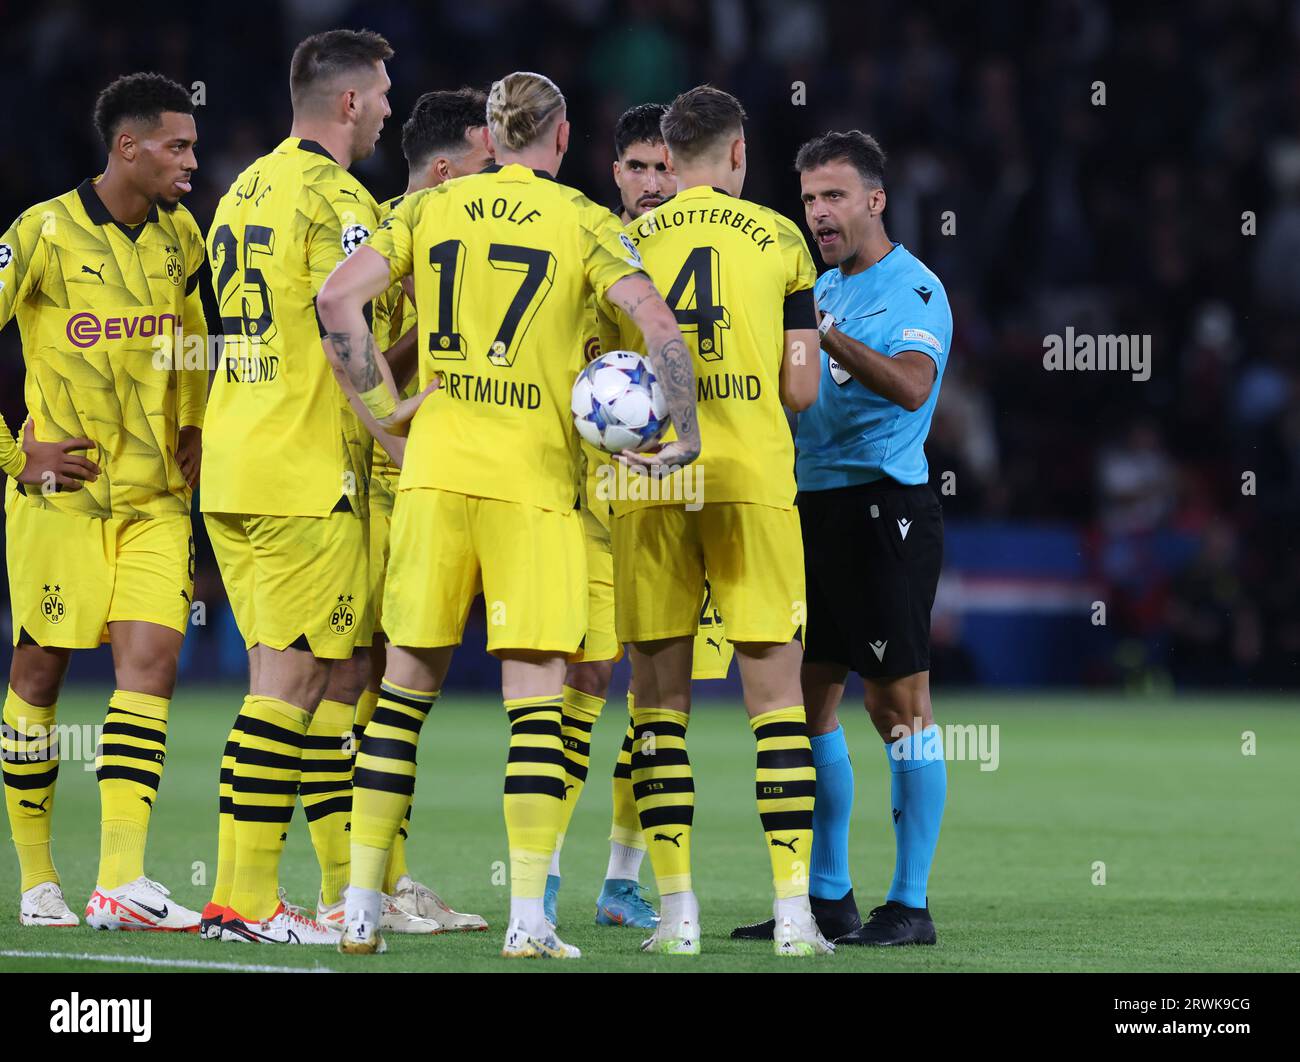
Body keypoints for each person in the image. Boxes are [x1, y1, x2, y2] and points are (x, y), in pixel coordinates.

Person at [316, 70, 698, 959]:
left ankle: (362, 911)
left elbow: (339, 300)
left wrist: (382, 409)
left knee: (401, 699)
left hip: (434, 477)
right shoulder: (587, 223)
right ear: (562, 141)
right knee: (535, 706)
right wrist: (682, 433)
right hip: (533, 487)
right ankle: (529, 921)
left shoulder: (433, 207)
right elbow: (663, 330)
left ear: (489, 136)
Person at [600, 86, 826, 956]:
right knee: (775, 703)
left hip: (652, 486)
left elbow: (604, 376)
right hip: (753, 481)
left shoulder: (624, 239)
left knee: (658, 709)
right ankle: (796, 916)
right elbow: (801, 389)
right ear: (738, 155)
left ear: (670, 153)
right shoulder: (781, 239)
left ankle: (677, 916)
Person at [200, 28, 402, 945]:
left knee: (293, 677)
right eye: (384, 93)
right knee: (289, 683)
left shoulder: (242, 187)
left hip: (236, 459)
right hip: (301, 467)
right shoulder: (338, 198)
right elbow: (339, 319)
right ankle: (242, 902)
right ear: (349, 101)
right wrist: (391, 427)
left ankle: (268, 898)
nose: (391, 108)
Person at [734, 130, 951, 947]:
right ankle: (827, 898)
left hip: (882, 509)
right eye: (809, 197)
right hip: (808, 509)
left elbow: (911, 386)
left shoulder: (914, 289)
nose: (818, 212)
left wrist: (824, 335)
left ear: (875, 200)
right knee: (805, 704)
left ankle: (911, 904)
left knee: (897, 708)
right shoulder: (814, 286)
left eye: (834, 196)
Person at [0, 73, 206, 931]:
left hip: (157, 500)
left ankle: (121, 879)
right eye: (177, 146)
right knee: (40, 671)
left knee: (151, 665)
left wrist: (195, 428)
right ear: (127, 146)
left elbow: (195, 337)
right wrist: (17, 456)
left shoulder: (181, 234)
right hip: (63, 499)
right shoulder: (40, 232)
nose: (192, 162)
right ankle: (38, 877)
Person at [546, 101, 734, 932]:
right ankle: (542, 867)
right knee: (583, 680)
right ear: (613, 172)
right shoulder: (591, 249)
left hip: (683, 500)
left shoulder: (708, 251)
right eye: (637, 168)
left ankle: (623, 876)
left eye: (665, 167)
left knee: (663, 697)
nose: (653, 182)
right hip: (592, 503)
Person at [352, 87, 495, 935]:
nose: (494, 183)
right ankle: (358, 883)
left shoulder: (458, 231)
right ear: (442, 171)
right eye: (481, 168)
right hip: (369, 476)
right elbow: (355, 357)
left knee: (390, 687)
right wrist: (442, 335)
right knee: (363, 683)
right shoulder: (380, 236)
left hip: (419, 479)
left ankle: (386, 880)